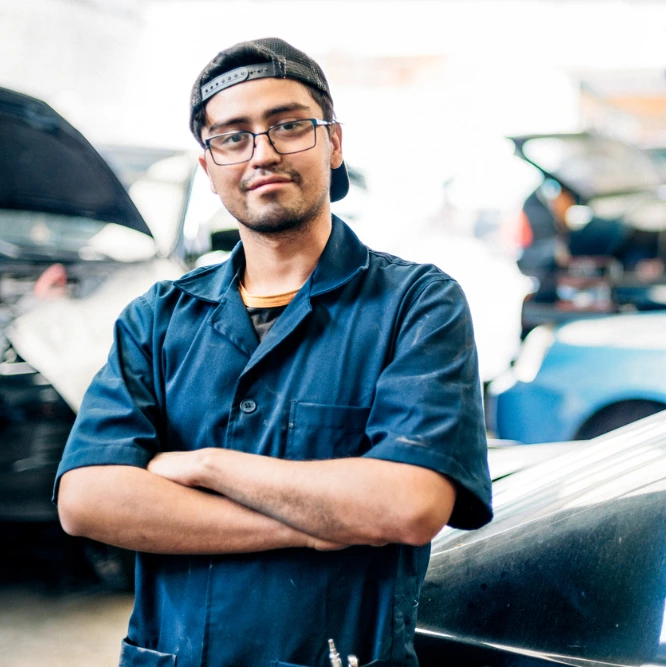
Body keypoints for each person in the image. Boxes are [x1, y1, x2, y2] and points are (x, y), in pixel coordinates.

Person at [54, 37, 492, 667]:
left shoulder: (415, 304)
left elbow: (409, 504)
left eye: (288, 125)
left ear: (333, 143)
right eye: (232, 136)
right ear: (208, 167)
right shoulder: (158, 319)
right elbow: (88, 499)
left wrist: (205, 468)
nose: (262, 152)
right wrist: (318, 523)